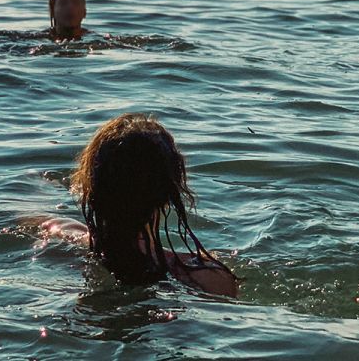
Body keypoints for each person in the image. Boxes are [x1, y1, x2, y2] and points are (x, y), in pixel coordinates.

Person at [41, 113, 239, 297]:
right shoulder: (207, 276)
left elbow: (36, 219)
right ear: (167, 194)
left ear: (91, 190)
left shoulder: (62, 234)